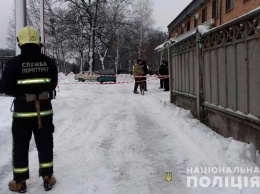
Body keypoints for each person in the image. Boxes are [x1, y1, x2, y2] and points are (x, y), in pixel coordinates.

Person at [0, 26, 58, 193]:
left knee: (20, 146)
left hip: (22, 114)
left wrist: (20, 92)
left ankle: (19, 182)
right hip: (45, 112)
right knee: (45, 144)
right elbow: (53, 84)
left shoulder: (14, 63)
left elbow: (5, 87)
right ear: (37, 41)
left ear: (20, 43)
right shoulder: (49, 62)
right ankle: (47, 178)